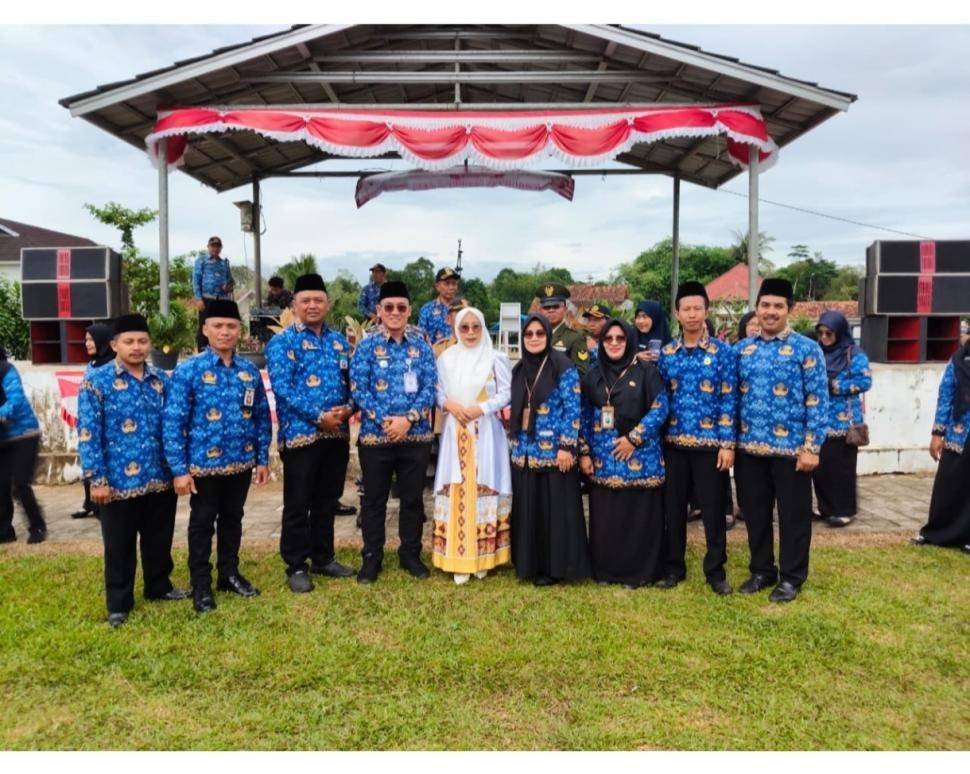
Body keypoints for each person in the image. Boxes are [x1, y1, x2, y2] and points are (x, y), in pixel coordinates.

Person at [77, 314, 188, 627]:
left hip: (159, 478)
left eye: (142, 341)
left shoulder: (162, 380)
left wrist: (178, 469)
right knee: (119, 544)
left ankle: (159, 586)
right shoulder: (96, 382)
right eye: (129, 341)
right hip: (117, 482)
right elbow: (88, 433)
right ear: (115, 345)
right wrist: (96, 479)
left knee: (159, 538)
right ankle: (119, 602)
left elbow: (175, 426)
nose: (136, 347)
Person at [163, 300, 272, 613]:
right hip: (203, 466)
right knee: (202, 524)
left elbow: (261, 417)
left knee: (233, 519)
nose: (225, 332)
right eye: (218, 326)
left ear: (240, 330)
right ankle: (201, 584)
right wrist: (179, 470)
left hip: (240, 462)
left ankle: (229, 574)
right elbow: (173, 423)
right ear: (205, 329)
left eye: (231, 326)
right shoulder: (189, 370)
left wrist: (262, 458)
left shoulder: (248, 371)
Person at [734, 278, 829, 603]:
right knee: (755, 513)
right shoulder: (742, 350)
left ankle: (791, 577)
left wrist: (812, 447)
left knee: (793, 517)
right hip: (749, 449)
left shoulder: (806, 349)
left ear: (790, 310)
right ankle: (762, 570)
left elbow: (818, 400)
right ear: (756, 308)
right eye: (765, 305)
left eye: (778, 306)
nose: (771, 312)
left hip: (792, 452)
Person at [266, 274, 357, 593]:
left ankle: (323, 557)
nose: (312, 305)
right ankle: (296, 564)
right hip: (301, 435)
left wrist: (349, 408)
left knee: (327, 500)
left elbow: (352, 383)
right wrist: (319, 417)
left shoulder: (339, 342)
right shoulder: (282, 343)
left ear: (327, 304)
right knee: (298, 502)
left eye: (318, 300)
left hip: (336, 434)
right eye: (306, 300)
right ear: (294, 305)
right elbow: (283, 389)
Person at [351, 280, 438, 584]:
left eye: (401, 307)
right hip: (377, 438)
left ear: (409, 310)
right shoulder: (366, 346)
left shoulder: (422, 346)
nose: (395, 312)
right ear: (379, 310)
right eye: (389, 307)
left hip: (415, 437)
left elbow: (430, 387)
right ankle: (371, 557)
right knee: (374, 501)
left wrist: (408, 420)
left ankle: (410, 554)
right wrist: (387, 422)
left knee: (412, 500)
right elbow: (358, 389)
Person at [656, 282, 737, 595]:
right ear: (677, 314)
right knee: (673, 510)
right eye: (686, 309)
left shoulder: (722, 353)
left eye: (697, 308)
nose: (692, 314)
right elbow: (659, 400)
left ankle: (715, 571)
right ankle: (673, 568)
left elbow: (729, 399)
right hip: (674, 445)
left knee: (713, 511)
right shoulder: (667, 354)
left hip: (710, 446)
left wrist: (727, 444)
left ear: (706, 311)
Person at [579, 318, 668, 588]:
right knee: (608, 517)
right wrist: (584, 452)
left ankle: (640, 573)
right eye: (609, 339)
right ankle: (606, 571)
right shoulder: (593, 374)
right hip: (603, 459)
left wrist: (633, 439)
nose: (614, 343)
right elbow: (582, 415)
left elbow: (661, 408)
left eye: (620, 338)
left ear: (629, 341)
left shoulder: (646, 371)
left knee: (637, 516)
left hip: (639, 456)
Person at [509, 314, 591, 586]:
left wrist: (567, 446)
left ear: (548, 335)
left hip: (556, 454)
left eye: (539, 333)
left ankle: (556, 569)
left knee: (554, 514)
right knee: (530, 510)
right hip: (525, 453)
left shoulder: (562, 366)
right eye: (528, 334)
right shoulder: (519, 369)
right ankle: (530, 564)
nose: (534, 338)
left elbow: (573, 409)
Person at [432, 307, 513, 584]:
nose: (470, 332)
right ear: (457, 329)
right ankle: (456, 557)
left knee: (484, 488)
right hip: (456, 430)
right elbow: (437, 392)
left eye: (475, 327)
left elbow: (506, 393)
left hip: (486, 431)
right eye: (464, 327)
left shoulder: (495, 358)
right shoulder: (446, 359)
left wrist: (482, 408)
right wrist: (450, 405)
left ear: (482, 328)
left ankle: (484, 558)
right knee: (455, 488)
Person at [813, 311, 872, 528]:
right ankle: (826, 508)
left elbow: (865, 382)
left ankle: (844, 510)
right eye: (821, 333)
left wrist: (835, 386)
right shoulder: (816, 352)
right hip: (819, 420)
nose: (824, 337)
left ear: (840, 332)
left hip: (844, 422)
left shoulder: (853, 354)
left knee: (841, 469)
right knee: (821, 468)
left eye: (829, 333)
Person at [912, 342, 970, 553]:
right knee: (949, 483)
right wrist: (937, 434)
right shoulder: (959, 361)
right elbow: (945, 397)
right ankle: (937, 532)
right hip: (959, 432)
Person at [0, 350, 47, 544]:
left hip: (24, 434)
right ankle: (5, 532)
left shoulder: (6, 370)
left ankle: (37, 526)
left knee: (20, 483)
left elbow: (16, 400)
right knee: (1, 484)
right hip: (2, 438)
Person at [71, 323, 115, 520]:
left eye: (91, 339)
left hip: (107, 426)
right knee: (89, 461)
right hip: (88, 422)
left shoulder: (112, 366)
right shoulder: (93, 364)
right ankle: (89, 503)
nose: (87, 343)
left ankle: (100, 507)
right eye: (86, 339)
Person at [534, 282, 589, 375]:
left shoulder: (576, 337)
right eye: (546, 307)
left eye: (556, 306)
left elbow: (581, 371)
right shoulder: (533, 336)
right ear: (540, 310)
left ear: (565, 309)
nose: (551, 310)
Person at [192, 236, 235, 351]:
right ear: (208, 247)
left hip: (222, 300)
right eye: (213, 246)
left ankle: (219, 351)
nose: (215, 248)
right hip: (207, 299)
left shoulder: (224, 263)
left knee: (220, 326)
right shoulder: (201, 261)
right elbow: (196, 280)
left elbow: (230, 280)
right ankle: (203, 353)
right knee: (205, 326)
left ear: (221, 248)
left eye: (218, 246)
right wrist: (198, 298)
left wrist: (228, 286)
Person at [418, 267, 461, 345]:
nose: (451, 287)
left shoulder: (463, 308)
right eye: (447, 283)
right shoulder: (427, 310)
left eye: (454, 283)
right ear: (437, 286)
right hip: (435, 351)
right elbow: (420, 339)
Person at [582, 303, 612, 368]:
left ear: (608, 321)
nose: (591, 324)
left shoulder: (615, 341)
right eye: (589, 320)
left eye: (596, 320)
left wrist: (594, 349)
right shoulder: (582, 339)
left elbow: (611, 366)